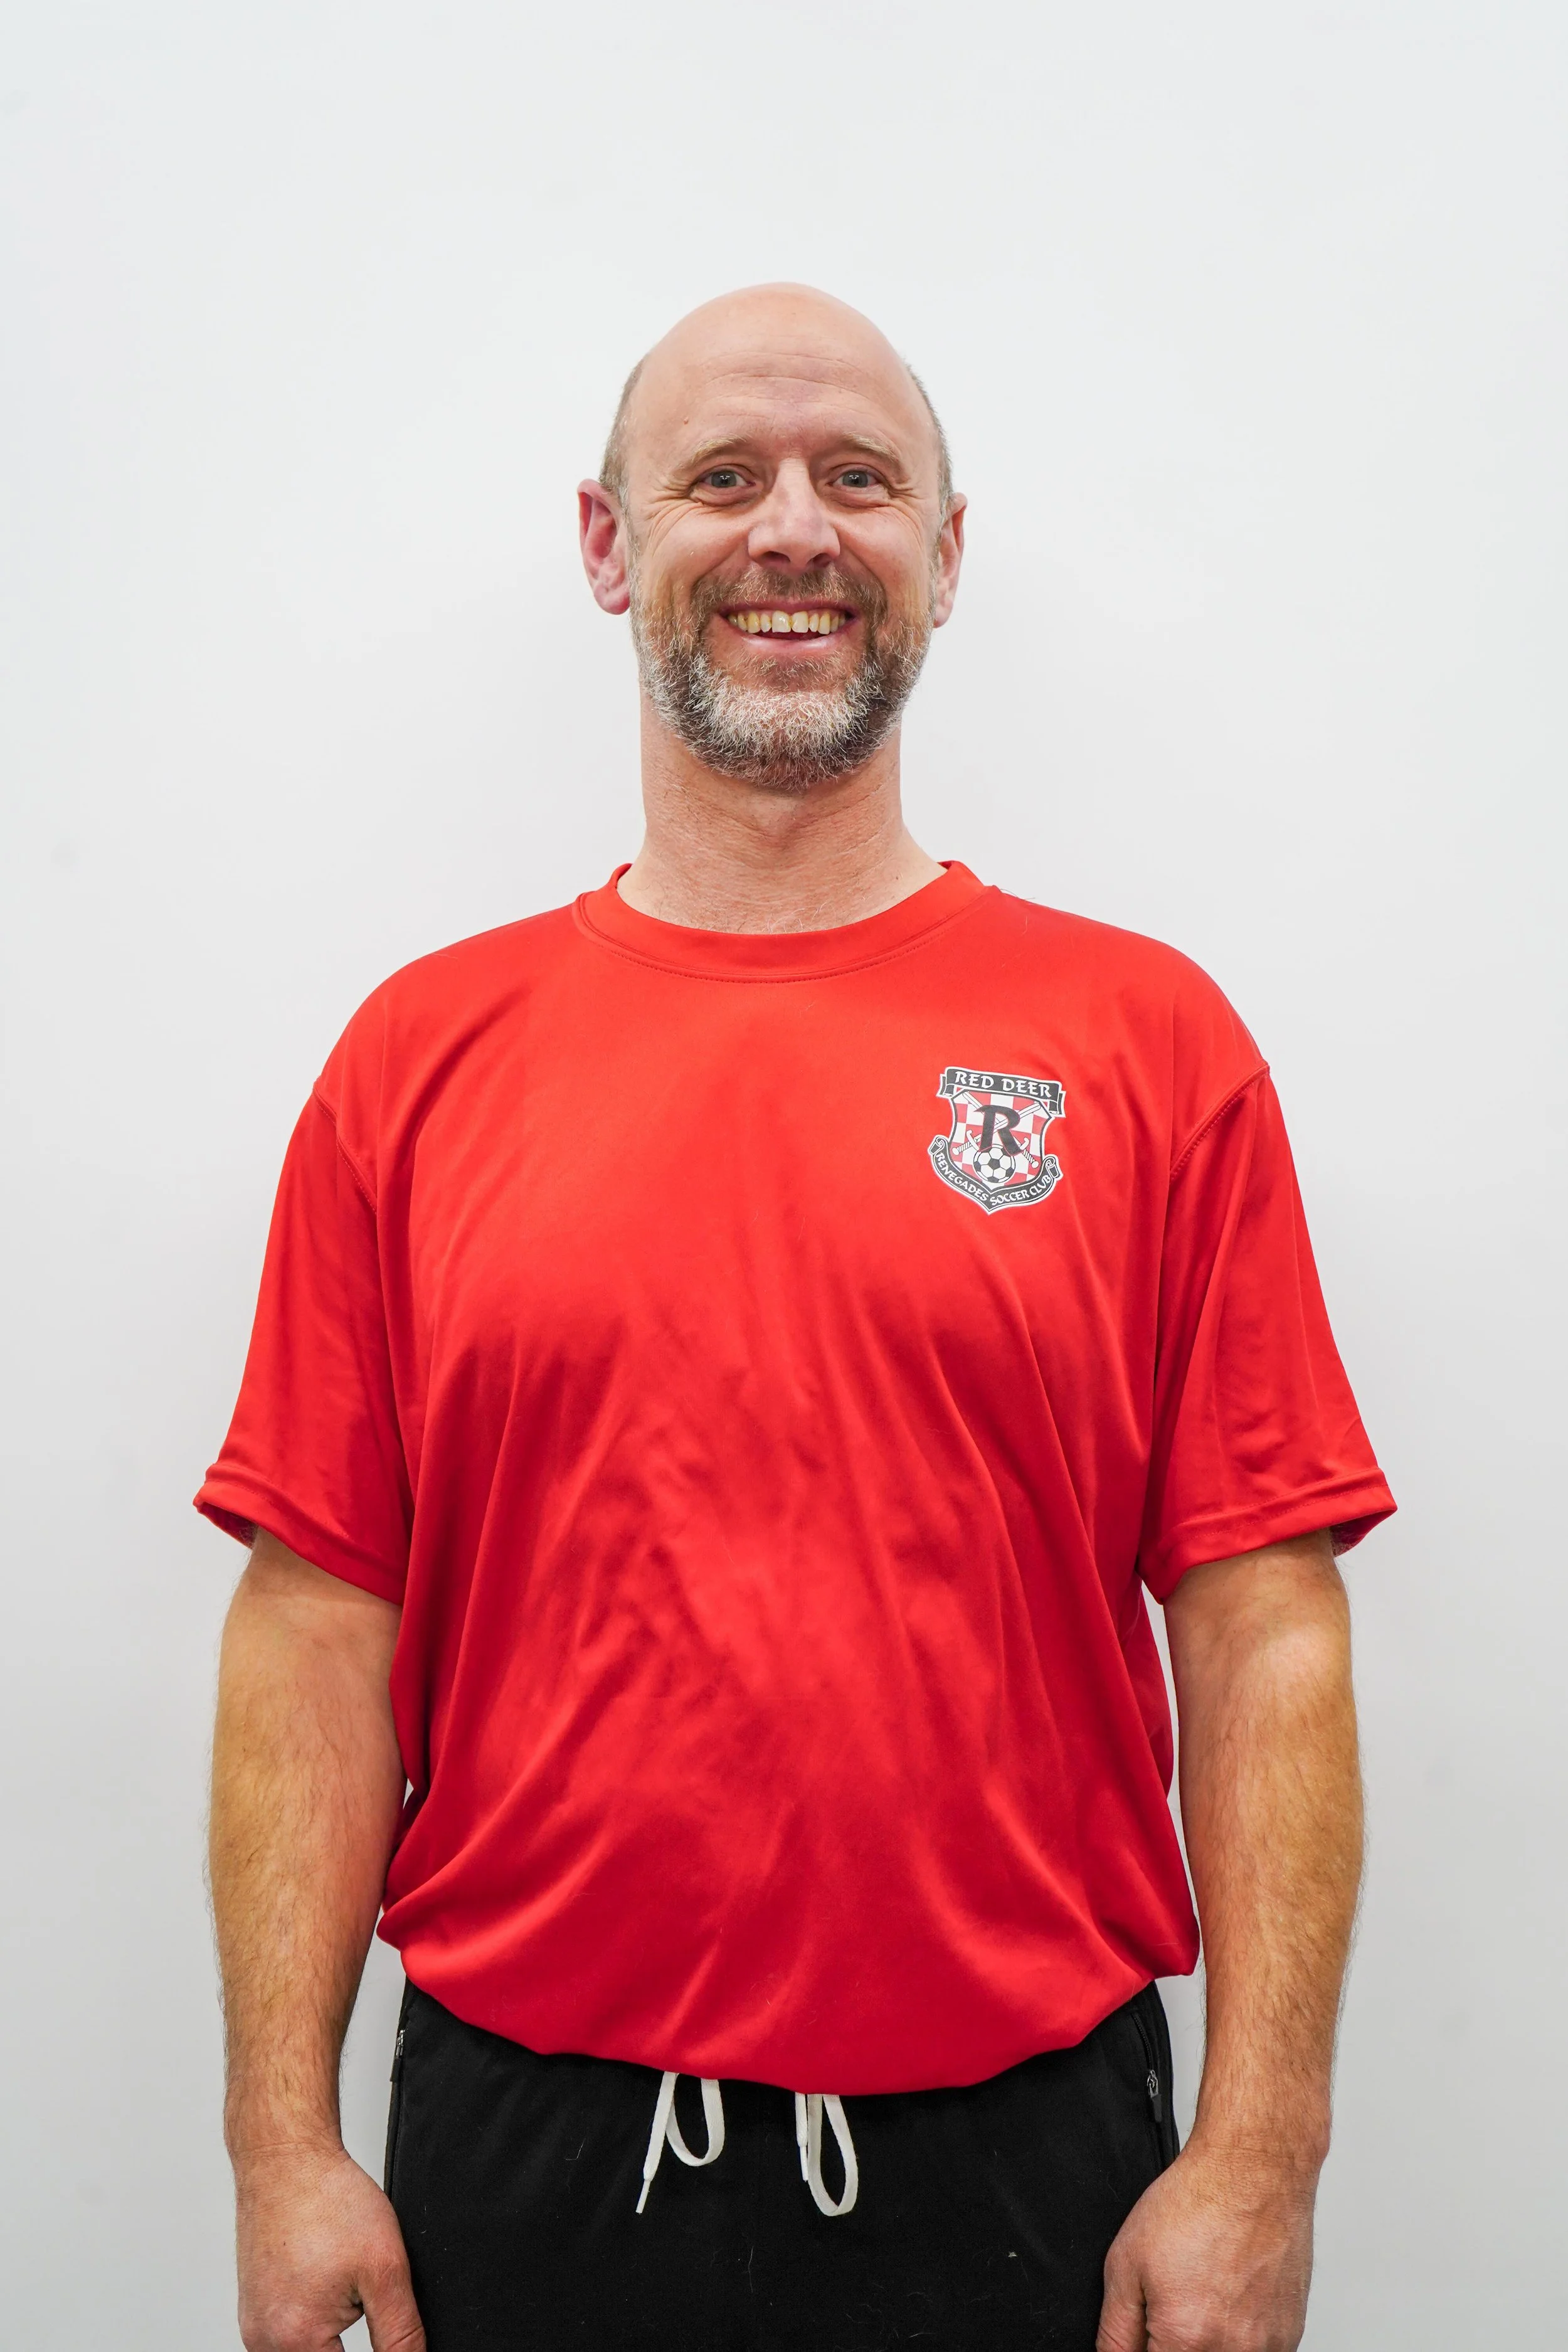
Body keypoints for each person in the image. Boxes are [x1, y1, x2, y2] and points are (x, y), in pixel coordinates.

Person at [201, 283, 1394, 2352]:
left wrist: (1261, 2151)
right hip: (530, 2157)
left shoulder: (1144, 1046)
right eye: (720, 477)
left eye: (859, 479)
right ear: (606, 543)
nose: (792, 530)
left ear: (943, 550)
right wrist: (279, 2145)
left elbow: (1261, 1617)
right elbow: (318, 1621)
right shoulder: (418, 1061)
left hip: (1027, 2163)